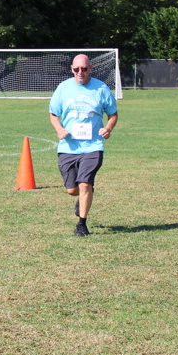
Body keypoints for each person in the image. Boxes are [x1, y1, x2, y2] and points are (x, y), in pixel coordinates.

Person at [49, 54, 118, 236]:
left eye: (84, 69)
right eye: (77, 69)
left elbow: (113, 114)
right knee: (72, 190)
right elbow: (54, 114)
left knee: (85, 184)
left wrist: (108, 128)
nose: (80, 72)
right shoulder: (63, 88)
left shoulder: (101, 89)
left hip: (93, 146)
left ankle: (82, 224)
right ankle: (82, 195)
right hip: (68, 147)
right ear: (72, 69)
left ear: (91, 69)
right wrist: (59, 129)